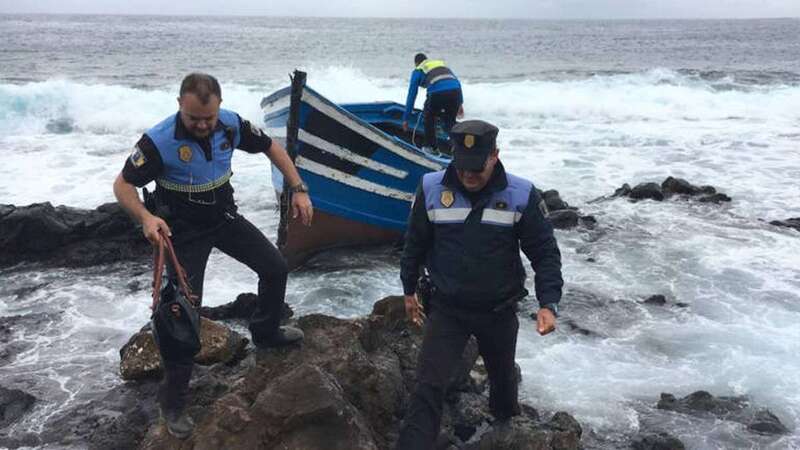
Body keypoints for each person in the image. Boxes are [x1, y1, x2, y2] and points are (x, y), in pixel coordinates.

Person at [113, 73, 312, 439]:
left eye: (209, 118)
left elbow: (272, 147)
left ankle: (265, 332)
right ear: (179, 106)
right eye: (194, 119)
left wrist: (298, 188)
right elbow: (122, 185)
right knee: (181, 317)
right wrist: (146, 217)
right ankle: (172, 404)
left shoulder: (231, 125)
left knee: (275, 267)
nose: (203, 125)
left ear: (219, 107)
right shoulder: (158, 142)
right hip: (182, 233)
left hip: (224, 218)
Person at [397, 120, 563, 449]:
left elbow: (544, 253)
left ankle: (503, 429)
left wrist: (548, 303)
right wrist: (408, 290)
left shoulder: (520, 194)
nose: (469, 176)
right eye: (462, 167)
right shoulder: (431, 188)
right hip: (447, 310)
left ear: (495, 156)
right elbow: (414, 243)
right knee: (428, 386)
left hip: (499, 311)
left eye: (477, 168)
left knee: (503, 385)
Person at [402, 53, 464, 153]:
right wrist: (460, 103)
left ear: (416, 63)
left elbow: (412, 95)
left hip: (437, 92)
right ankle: (458, 146)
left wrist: (406, 118)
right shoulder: (441, 65)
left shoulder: (418, 70)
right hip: (455, 91)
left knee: (429, 117)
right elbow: (456, 82)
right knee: (449, 121)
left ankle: (430, 147)